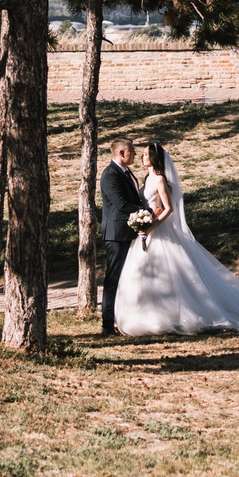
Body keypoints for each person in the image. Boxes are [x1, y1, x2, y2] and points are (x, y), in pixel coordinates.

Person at [112, 139, 239, 336]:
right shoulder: (145, 179)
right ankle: (146, 315)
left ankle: (179, 315)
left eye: (146, 154)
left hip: (159, 231)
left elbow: (168, 208)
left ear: (155, 158)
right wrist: (143, 220)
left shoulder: (159, 179)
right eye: (141, 154)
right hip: (146, 232)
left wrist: (152, 225)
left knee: (174, 274)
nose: (142, 157)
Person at [95, 138, 151, 337]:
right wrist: (147, 210)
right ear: (121, 153)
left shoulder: (125, 173)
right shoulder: (110, 175)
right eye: (132, 152)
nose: (134, 155)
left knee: (127, 277)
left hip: (128, 231)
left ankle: (123, 318)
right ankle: (107, 323)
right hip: (117, 234)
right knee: (114, 278)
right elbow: (121, 204)